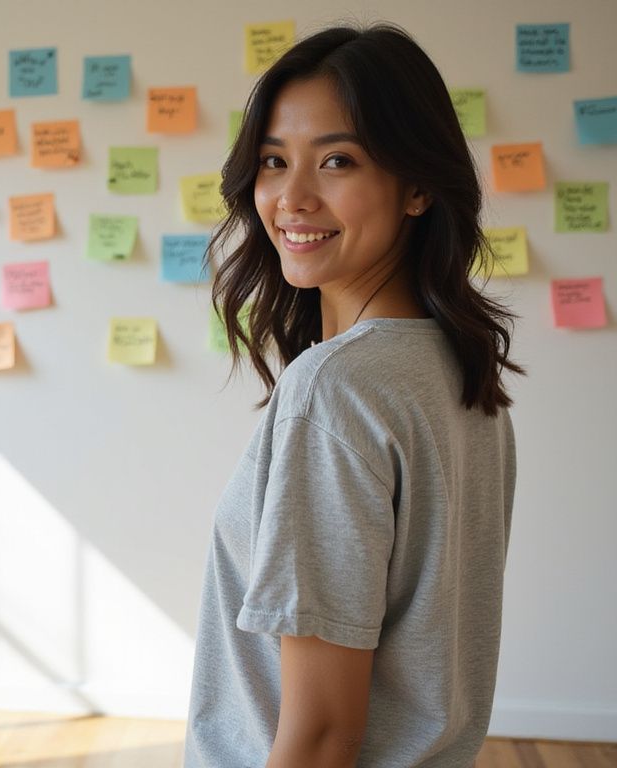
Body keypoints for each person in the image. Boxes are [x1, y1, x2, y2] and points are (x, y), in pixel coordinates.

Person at [184, 24, 523, 768]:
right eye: (274, 162)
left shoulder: (335, 389)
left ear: (418, 186)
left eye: (338, 160)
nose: (292, 197)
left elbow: (321, 733)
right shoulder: (460, 368)